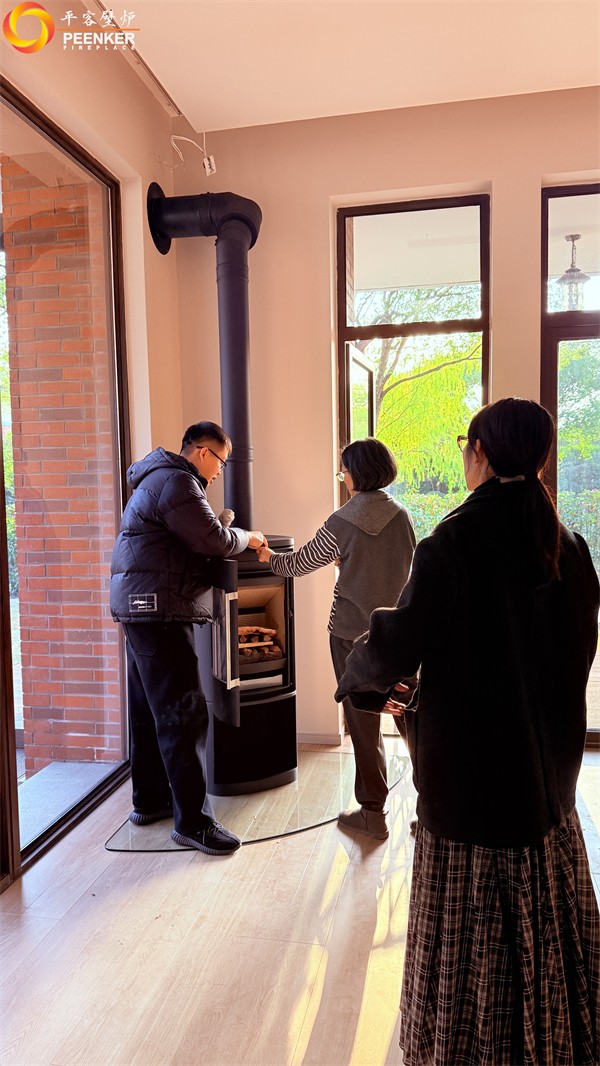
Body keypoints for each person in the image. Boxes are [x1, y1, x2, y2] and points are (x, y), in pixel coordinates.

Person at [335, 398, 600, 1065]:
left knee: (470, 940)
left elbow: (396, 643)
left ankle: (471, 1046)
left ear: (478, 452)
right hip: (549, 788)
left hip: (473, 794)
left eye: (464, 445)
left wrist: (356, 676)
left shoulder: (453, 542)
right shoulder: (568, 543)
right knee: (545, 932)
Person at [110, 421, 265, 856]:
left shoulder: (158, 478)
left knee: (148, 708)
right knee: (185, 712)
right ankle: (194, 824)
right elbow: (212, 539)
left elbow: (195, 534)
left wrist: (223, 524)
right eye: (221, 462)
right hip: (157, 608)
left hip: (140, 605)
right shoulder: (178, 481)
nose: (219, 471)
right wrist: (249, 537)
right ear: (202, 452)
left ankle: (150, 801)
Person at [257, 437, 416, 840]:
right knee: (410, 718)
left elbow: (299, 564)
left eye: (343, 470)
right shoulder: (402, 516)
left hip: (350, 637)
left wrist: (268, 557)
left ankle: (373, 814)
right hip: (399, 634)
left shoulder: (342, 521)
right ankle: (433, 810)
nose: (342, 477)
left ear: (356, 473)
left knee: (362, 723)